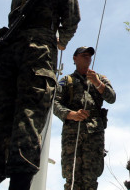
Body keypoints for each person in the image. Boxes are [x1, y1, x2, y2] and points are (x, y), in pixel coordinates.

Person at [0, 0, 81, 190]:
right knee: (30, 113)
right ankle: (20, 183)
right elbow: (72, 18)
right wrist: (61, 41)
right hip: (38, 50)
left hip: (7, 50)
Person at [53, 46, 116, 190]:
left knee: (91, 177)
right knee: (72, 176)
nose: (87, 57)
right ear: (75, 59)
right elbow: (54, 104)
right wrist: (71, 114)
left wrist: (97, 84)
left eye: (89, 55)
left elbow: (112, 98)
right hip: (72, 133)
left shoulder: (99, 78)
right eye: (84, 55)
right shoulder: (66, 80)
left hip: (94, 132)